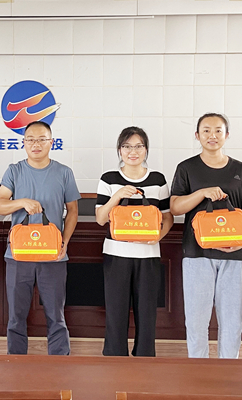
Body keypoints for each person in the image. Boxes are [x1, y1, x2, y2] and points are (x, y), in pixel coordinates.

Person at [170, 113, 242, 359]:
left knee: (232, 318)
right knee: (196, 318)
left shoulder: (240, 169)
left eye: (218, 130)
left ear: (227, 135)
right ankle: (198, 368)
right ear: (197, 135)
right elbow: (175, 207)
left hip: (235, 254)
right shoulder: (186, 168)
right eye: (206, 130)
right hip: (197, 253)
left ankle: (228, 369)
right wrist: (202, 193)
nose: (213, 135)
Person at [0, 120, 80, 355]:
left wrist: (65, 242)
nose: (36, 144)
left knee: (56, 315)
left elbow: (73, 211)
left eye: (42, 139)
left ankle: (59, 363)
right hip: (18, 255)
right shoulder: (14, 171)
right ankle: (16, 363)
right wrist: (22, 202)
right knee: (16, 316)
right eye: (30, 139)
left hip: (53, 255)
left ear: (51, 142)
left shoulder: (64, 172)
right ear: (23, 143)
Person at [95, 126, 173, 357]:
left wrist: (158, 237)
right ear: (120, 150)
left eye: (139, 146)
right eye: (127, 146)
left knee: (147, 312)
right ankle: (114, 357)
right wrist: (117, 196)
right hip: (116, 255)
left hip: (148, 256)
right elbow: (100, 218)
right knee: (116, 312)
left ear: (146, 150)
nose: (133, 151)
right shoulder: (109, 179)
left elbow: (168, 217)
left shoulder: (158, 180)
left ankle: (145, 358)